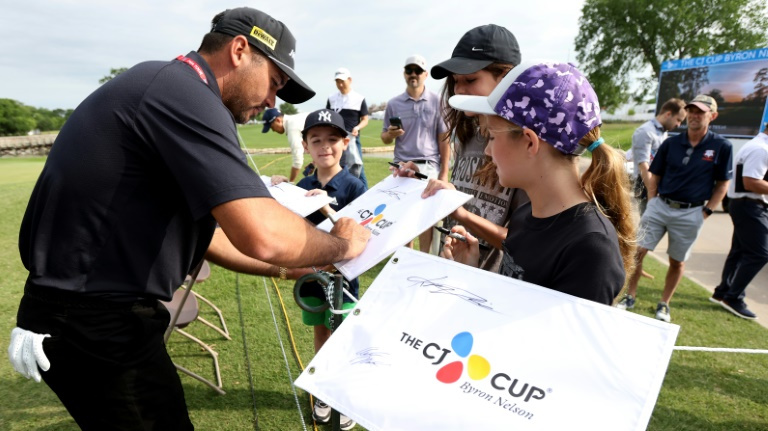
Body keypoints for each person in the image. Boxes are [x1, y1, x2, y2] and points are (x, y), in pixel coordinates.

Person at [7, 8, 371, 430]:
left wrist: (294, 269)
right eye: (274, 82)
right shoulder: (185, 94)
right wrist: (344, 245)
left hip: (87, 314)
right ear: (239, 50)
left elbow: (212, 237)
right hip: (96, 319)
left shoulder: (170, 86)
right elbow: (263, 233)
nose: (273, 100)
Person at [440, 60, 635, 306]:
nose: (487, 151)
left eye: (490, 136)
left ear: (530, 142)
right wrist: (471, 273)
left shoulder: (590, 249)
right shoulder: (526, 216)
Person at [395, 24, 529, 271]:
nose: (459, 90)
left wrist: (462, 215)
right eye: (456, 81)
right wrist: (422, 182)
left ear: (507, 77)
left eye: (470, 79)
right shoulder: (469, 134)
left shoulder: (523, 146)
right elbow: (466, 193)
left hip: (490, 285)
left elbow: (526, 244)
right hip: (452, 271)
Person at [273, 109, 364, 430]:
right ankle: (324, 390)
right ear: (305, 145)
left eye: (332, 139)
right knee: (321, 332)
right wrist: (279, 190)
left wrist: (325, 205)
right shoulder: (304, 183)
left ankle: (346, 395)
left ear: (346, 141)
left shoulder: (354, 186)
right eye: (316, 140)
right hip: (312, 278)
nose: (325, 146)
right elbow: (286, 225)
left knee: (345, 336)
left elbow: (363, 235)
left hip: (345, 279)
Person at [618, 95, 732, 322]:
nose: (694, 116)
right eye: (691, 111)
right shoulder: (671, 143)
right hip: (660, 205)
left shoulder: (721, 146)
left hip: (692, 212)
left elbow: (722, 185)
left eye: (700, 112)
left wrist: (707, 211)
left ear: (713, 116)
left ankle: (664, 304)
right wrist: (652, 200)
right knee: (638, 251)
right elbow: (655, 174)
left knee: (677, 261)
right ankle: (629, 296)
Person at [381, 54, 450, 253]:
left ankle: (424, 255)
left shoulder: (437, 101)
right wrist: (391, 134)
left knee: (425, 215)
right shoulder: (394, 103)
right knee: (403, 215)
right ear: (404, 74)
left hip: (428, 164)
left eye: (418, 71)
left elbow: (444, 138)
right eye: (409, 70)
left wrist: (444, 172)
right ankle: (405, 255)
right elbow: (385, 138)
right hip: (401, 165)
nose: (414, 74)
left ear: (425, 74)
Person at [711, 125, 768, 320]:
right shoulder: (762, 149)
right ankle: (733, 297)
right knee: (760, 253)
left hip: (745, 204)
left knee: (739, 251)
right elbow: (752, 181)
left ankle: (723, 292)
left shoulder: (758, 145)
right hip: (750, 205)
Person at [631, 98, 687, 214]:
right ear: (668, 114)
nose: (679, 124)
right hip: (645, 187)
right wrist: (652, 196)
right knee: (646, 228)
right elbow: (643, 166)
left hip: (657, 187)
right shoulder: (645, 131)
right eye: (678, 120)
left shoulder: (663, 132)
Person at [327, 67, 369, 189]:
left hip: (352, 140)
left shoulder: (359, 98)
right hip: (335, 140)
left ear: (350, 80)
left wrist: (357, 127)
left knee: (357, 168)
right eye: (337, 82)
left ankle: (363, 194)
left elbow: (365, 119)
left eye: (342, 81)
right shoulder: (332, 98)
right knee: (337, 168)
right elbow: (328, 116)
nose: (340, 85)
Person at [261, 107, 310, 182]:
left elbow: (298, 161)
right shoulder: (294, 120)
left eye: (272, 127)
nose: (273, 130)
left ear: (278, 120)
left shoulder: (292, 127)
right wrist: (314, 163)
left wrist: (290, 183)